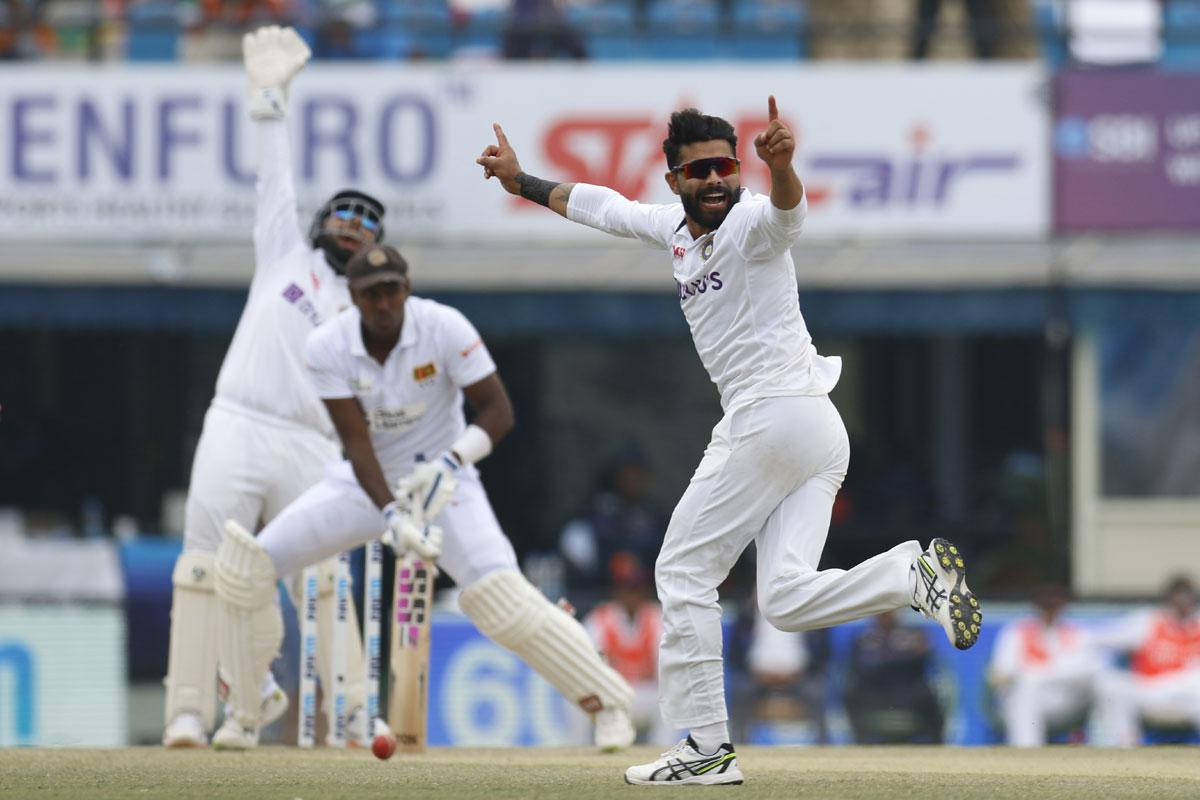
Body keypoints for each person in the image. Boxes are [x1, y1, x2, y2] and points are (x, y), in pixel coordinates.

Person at [476, 97, 983, 785]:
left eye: (724, 167)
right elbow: (598, 204)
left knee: (682, 572)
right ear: (674, 179)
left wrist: (783, 171)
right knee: (784, 600)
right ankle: (908, 575)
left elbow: (787, 217)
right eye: (699, 171)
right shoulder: (674, 230)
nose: (715, 180)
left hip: (775, 416)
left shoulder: (750, 220)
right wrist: (521, 181)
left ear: (738, 169)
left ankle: (707, 747)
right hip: (809, 429)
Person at [210, 243, 636, 751]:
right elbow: (356, 441)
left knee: (504, 602)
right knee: (246, 565)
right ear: (354, 297)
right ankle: (246, 710)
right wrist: (390, 512)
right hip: (365, 484)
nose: (383, 304)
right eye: (371, 295)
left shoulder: (444, 327)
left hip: (446, 482)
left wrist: (451, 463)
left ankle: (608, 705)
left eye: (391, 291)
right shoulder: (327, 345)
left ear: (406, 289)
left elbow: (498, 412)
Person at [161, 25, 381, 749]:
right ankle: (193, 712)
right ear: (323, 225)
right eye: (343, 214)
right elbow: (273, 175)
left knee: (320, 584)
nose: (351, 225)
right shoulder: (283, 248)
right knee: (202, 566)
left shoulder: (374, 307)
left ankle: (349, 715)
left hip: (313, 447)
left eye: (366, 223)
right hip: (239, 421)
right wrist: (270, 100)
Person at [1091, 575, 1200, 746]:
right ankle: (1123, 752)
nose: (1183, 600)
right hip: (1150, 691)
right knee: (1110, 684)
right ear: (1169, 597)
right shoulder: (1149, 621)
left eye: (1187, 594)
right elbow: (1101, 639)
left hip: (1188, 696)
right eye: (1178, 594)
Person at [987, 583, 1098, 746]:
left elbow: (1089, 669)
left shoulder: (1076, 632)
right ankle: (1027, 759)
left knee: (1105, 683)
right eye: (1045, 603)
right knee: (1025, 690)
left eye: (1054, 603)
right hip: (1022, 700)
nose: (1050, 609)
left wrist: (1042, 673)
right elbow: (1000, 673)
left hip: (1064, 702)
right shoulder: (1016, 632)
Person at [582, 552, 674, 745]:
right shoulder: (599, 619)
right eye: (627, 587)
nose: (632, 593)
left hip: (644, 695)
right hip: (610, 696)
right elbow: (586, 665)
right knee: (578, 699)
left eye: (636, 587)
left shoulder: (657, 618)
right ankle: (574, 752)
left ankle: (663, 753)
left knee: (673, 698)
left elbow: (667, 672)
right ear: (617, 590)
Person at [845, 610, 945, 744]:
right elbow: (858, 667)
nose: (885, 617)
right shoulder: (864, 638)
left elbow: (922, 661)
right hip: (875, 693)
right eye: (882, 613)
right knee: (851, 693)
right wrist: (896, 658)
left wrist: (886, 659)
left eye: (890, 612)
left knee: (930, 696)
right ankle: (859, 743)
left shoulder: (913, 635)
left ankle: (937, 744)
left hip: (908, 691)